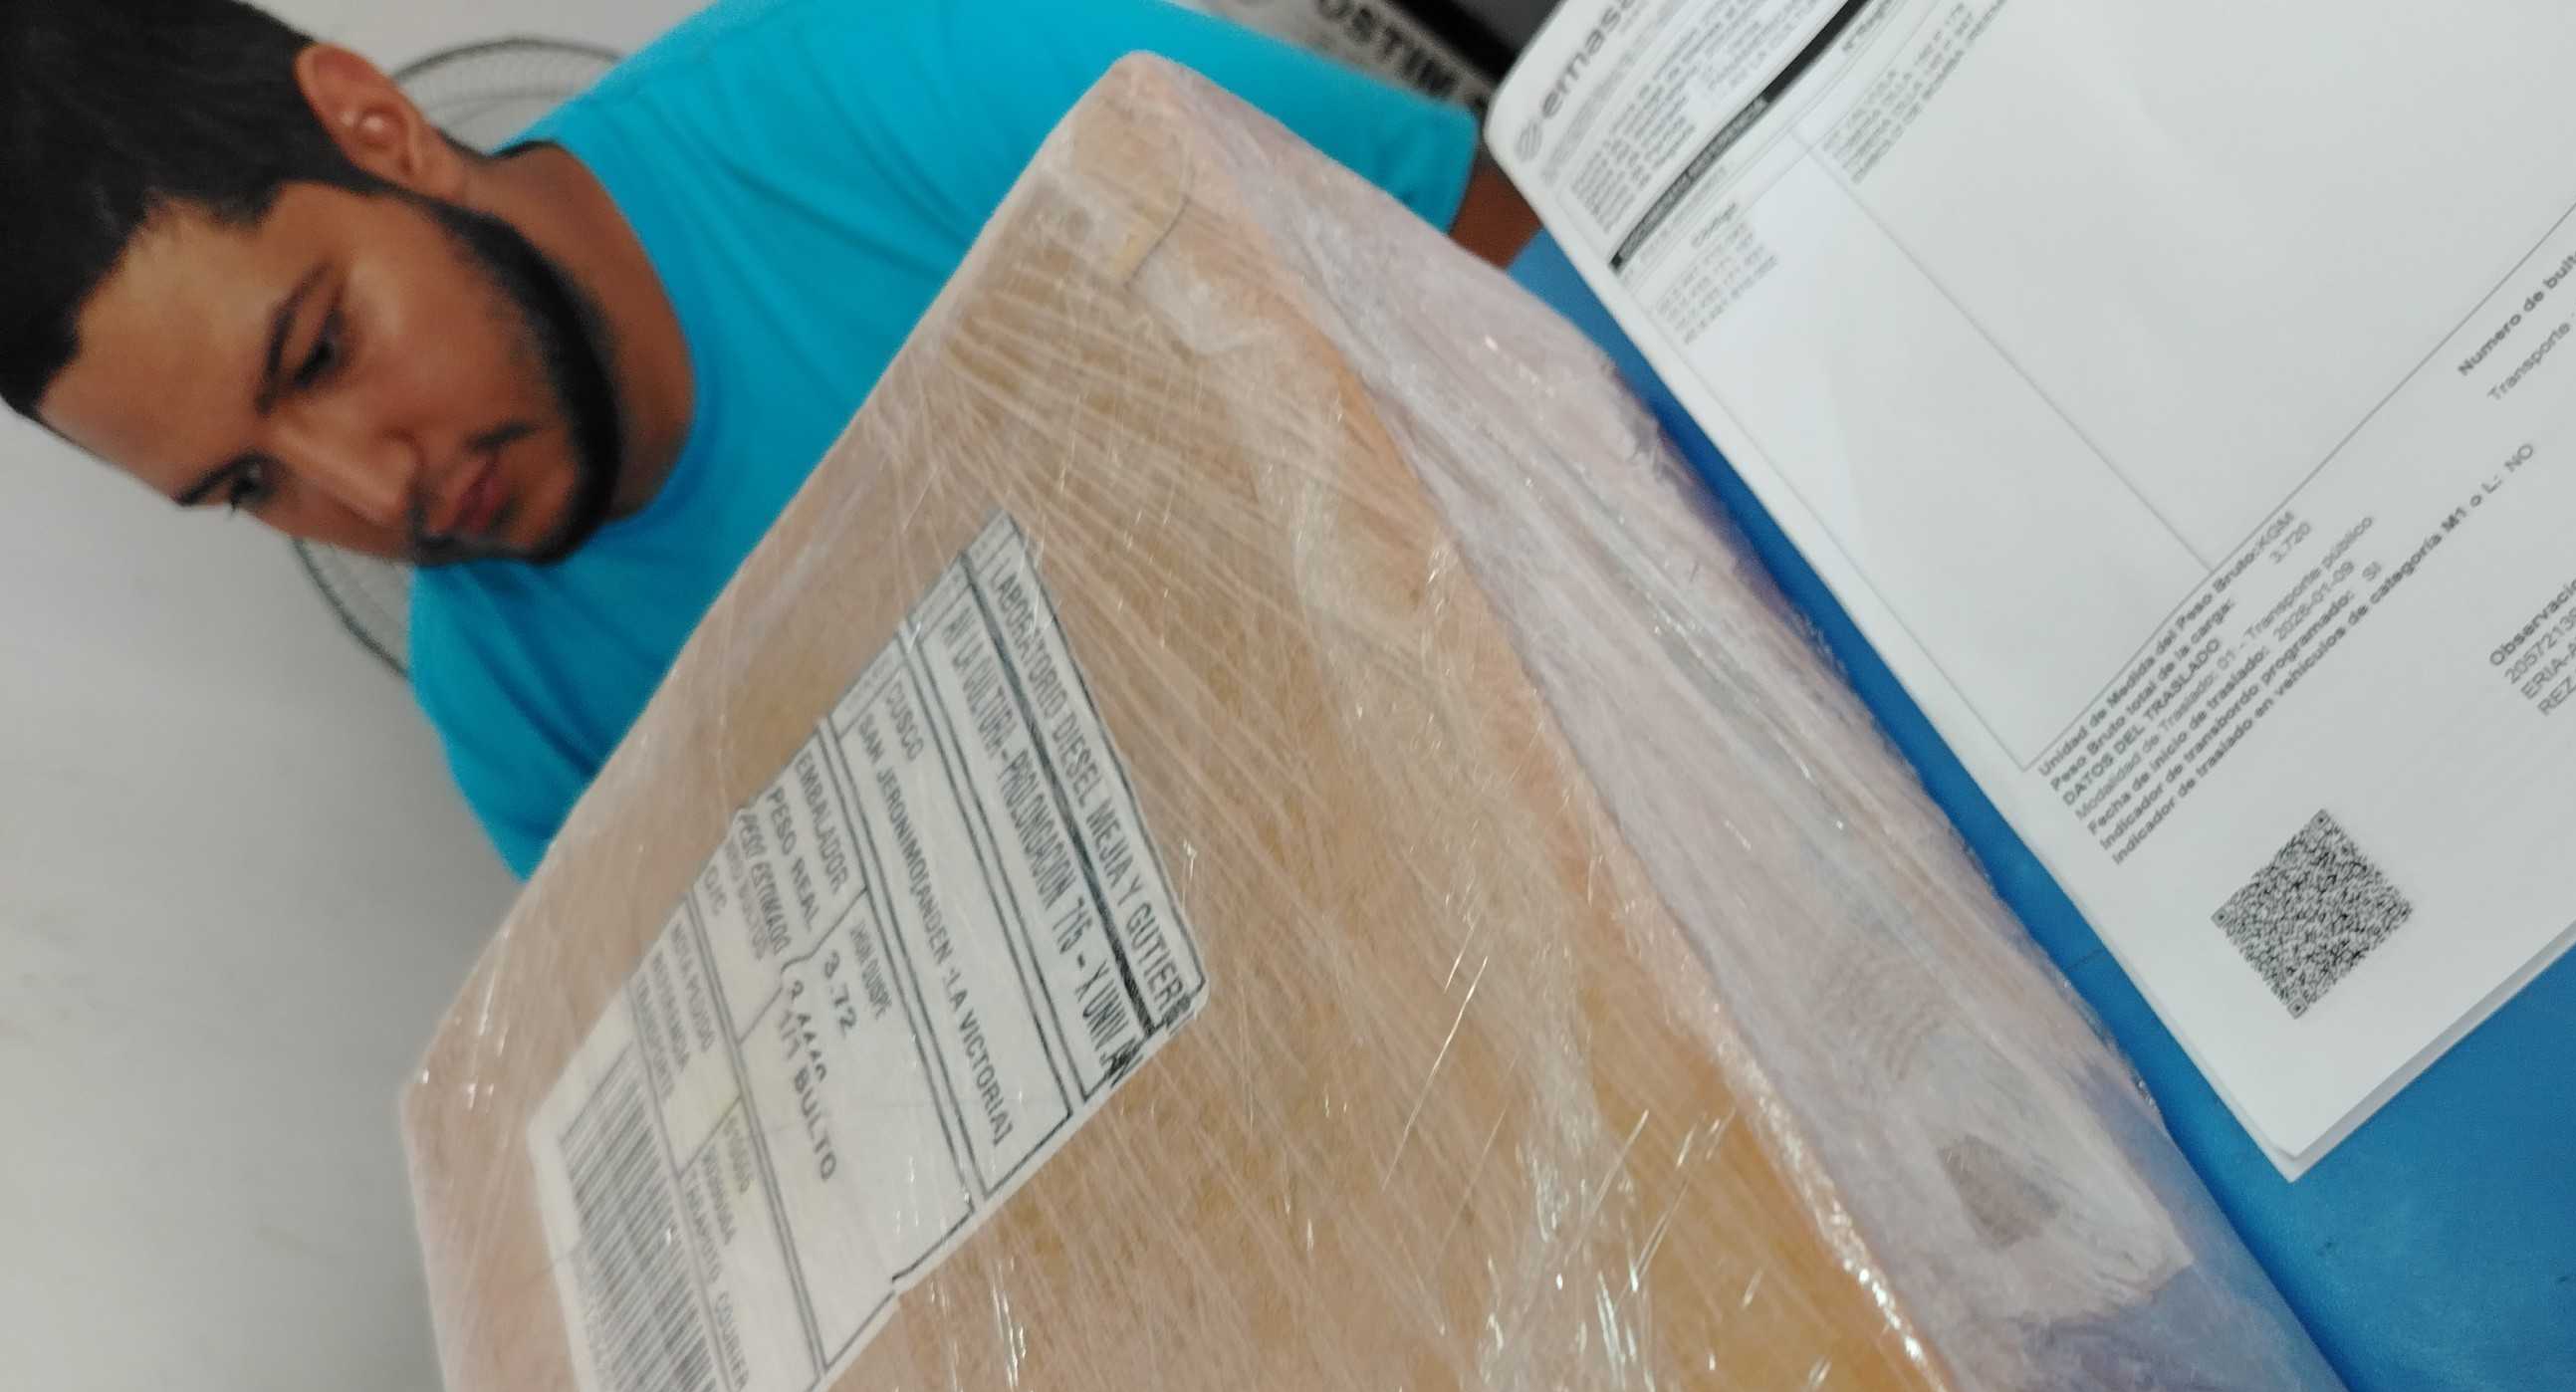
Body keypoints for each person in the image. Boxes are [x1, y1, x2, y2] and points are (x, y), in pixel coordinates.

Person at [0, 0, 1538, 875]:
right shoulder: (516, 715)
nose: (372, 491)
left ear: (376, 130)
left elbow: (1496, 248)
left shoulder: (884, 71)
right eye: (250, 485)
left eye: (322, 350)